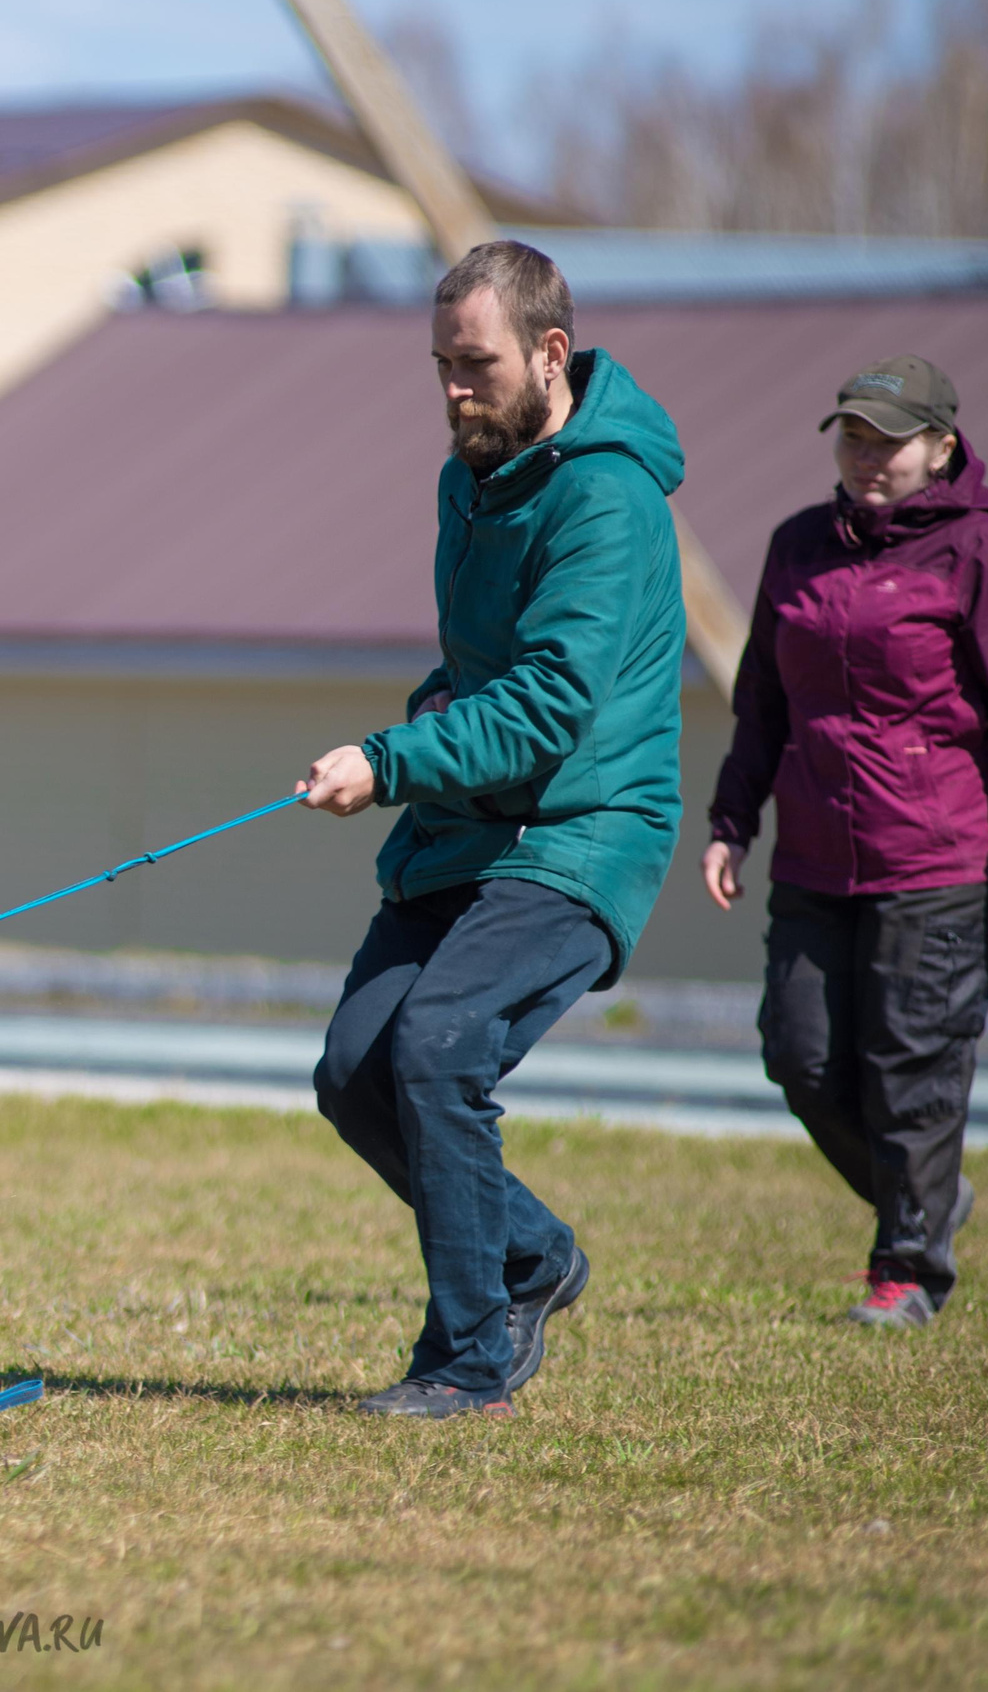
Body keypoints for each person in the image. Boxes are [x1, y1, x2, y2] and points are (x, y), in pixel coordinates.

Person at [299, 241, 687, 1418]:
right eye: (440, 365)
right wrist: (423, 714)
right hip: (471, 829)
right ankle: (530, 1255)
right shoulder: (465, 479)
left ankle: (469, 1361)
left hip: (582, 831)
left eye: (475, 364)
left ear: (550, 353)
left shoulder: (605, 496)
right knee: (355, 1070)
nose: (453, 388)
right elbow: (480, 668)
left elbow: (548, 704)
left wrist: (390, 759)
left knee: (438, 1045)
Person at [702, 355, 988, 1330]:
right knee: (802, 1054)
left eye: (889, 438)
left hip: (939, 855)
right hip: (815, 850)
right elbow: (762, 705)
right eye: (853, 434)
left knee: (912, 1063)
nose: (867, 455)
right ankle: (930, 1197)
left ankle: (906, 1267)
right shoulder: (797, 546)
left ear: (941, 447)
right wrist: (730, 821)